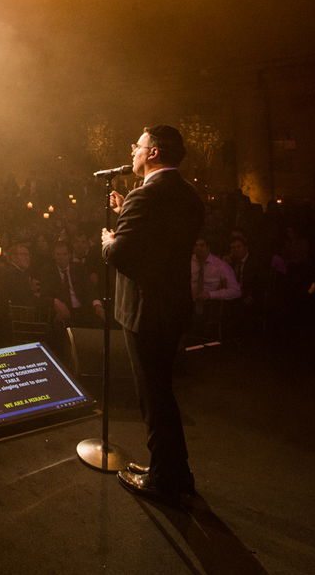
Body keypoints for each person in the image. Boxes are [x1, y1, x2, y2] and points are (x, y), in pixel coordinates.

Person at [100, 125, 205, 506]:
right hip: (172, 305)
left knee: (153, 396)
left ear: (154, 152)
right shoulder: (188, 194)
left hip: (145, 310)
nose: (133, 150)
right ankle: (176, 471)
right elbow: (160, 242)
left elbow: (120, 255)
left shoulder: (145, 197)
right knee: (162, 391)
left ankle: (165, 478)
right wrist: (127, 208)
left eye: (138, 145)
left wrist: (110, 238)